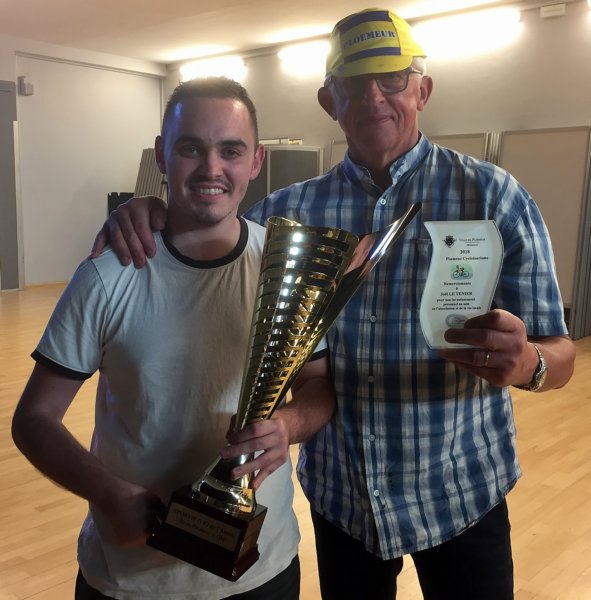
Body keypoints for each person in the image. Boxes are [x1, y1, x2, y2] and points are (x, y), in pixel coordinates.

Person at [89, 8, 577, 600]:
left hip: (461, 494)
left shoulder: (495, 198)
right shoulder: (284, 216)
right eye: (353, 83)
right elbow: (209, 236)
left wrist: (529, 363)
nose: (374, 97)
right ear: (329, 101)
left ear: (422, 90)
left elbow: (561, 352)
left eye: (392, 78)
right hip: (343, 503)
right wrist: (149, 211)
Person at [12, 77, 337, 600]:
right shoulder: (107, 274)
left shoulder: (287, 270)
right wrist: (106, 492)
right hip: (132, 579)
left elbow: (319, 386)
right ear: (163, 155)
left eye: (231, 150)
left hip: (263, 570)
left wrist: (288, 426)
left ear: (256, 161)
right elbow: (34, 418)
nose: (211, 168)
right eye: (190, 148)